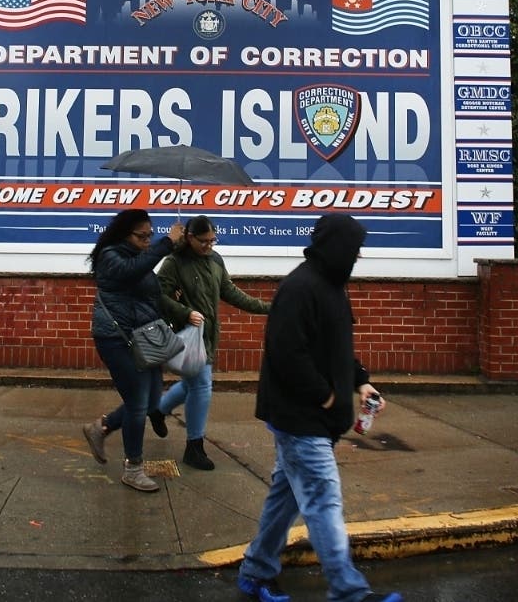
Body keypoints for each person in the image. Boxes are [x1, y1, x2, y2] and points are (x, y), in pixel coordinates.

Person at [237, 214, 402, 602]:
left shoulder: (332, 286)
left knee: (286, 498)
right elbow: (285, 353)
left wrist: (360, 381)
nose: (358, 257)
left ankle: (255, 572)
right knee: (323, 500)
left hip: (314, 420)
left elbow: (336, 346)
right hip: (301, 419)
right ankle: (349, 592)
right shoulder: (300, 287)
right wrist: (324, 395)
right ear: (337, 248)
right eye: (354, 250)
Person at [153, 215, 270, 470]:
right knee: (202, 386)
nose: (209, 246)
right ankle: (194, 447)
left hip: (208, 335)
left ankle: (158, 410)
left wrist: (267, 308)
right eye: (203, 241)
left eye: (212, 240)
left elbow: (230, 291)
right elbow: (157, 295)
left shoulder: (215, 260)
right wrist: (185, 312)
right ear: (189, 237)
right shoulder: (174, 262)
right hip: (186, 334)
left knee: (190, 386)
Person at [83, 209, 184, 492]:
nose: (148, 241)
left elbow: (146, 290)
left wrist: (174, 301)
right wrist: (167, 242)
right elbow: (131, 272)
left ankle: (101, 427)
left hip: (142, 337)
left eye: (150, 235)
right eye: (143, 236)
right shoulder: (111, 256)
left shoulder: (138, 258)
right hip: (116, 339)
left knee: (152, 400)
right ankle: (134, 468)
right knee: (138, 402)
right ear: (125, 233)